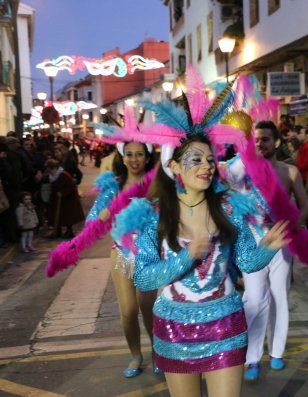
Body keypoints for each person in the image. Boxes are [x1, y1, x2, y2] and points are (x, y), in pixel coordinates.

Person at [111, 79, 291, 397]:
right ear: (174, 166)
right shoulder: (153, 215)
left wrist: (267, 249)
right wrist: (186, 256)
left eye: (210, 159)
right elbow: (143, 276)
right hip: (173, 329)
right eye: (196, 160)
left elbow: (247, 262)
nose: (207, 166)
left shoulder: (228, 207)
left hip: (225, 323)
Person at [242, 121, 308, 382]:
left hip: (281, 241)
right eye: (257, 139)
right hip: (253, 240)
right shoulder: (244, 171)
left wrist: (294, 224)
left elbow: (306, 207)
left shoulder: (290, 171)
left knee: (279, 295)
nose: (260, 143)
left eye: (266, 139)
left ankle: (277, 352)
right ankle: (252, 357)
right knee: (254, 297)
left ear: (277, 142)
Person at [86, 139, 159, 378]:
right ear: (123, 157)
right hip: (121, 253)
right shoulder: (113, 187)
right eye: (129, 154)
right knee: (128, 310)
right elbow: (92, 221)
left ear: (148, 158)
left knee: (148, 307)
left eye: (139, 154)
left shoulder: (156, 185)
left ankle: (157, 353)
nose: (134, 159)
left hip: (148, 255)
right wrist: (103, 216)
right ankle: (135, 355)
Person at [45, 159, 85, 239]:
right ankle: (58, 231)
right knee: (57, 215)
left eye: (51, 170)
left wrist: (62, 193)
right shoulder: (52, 176)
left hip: (68, 200)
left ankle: (69, 231)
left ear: (55, 168)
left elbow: (71, 186)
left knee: (67, 216)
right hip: (57, 199)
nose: (50, 172)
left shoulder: (63, 175)